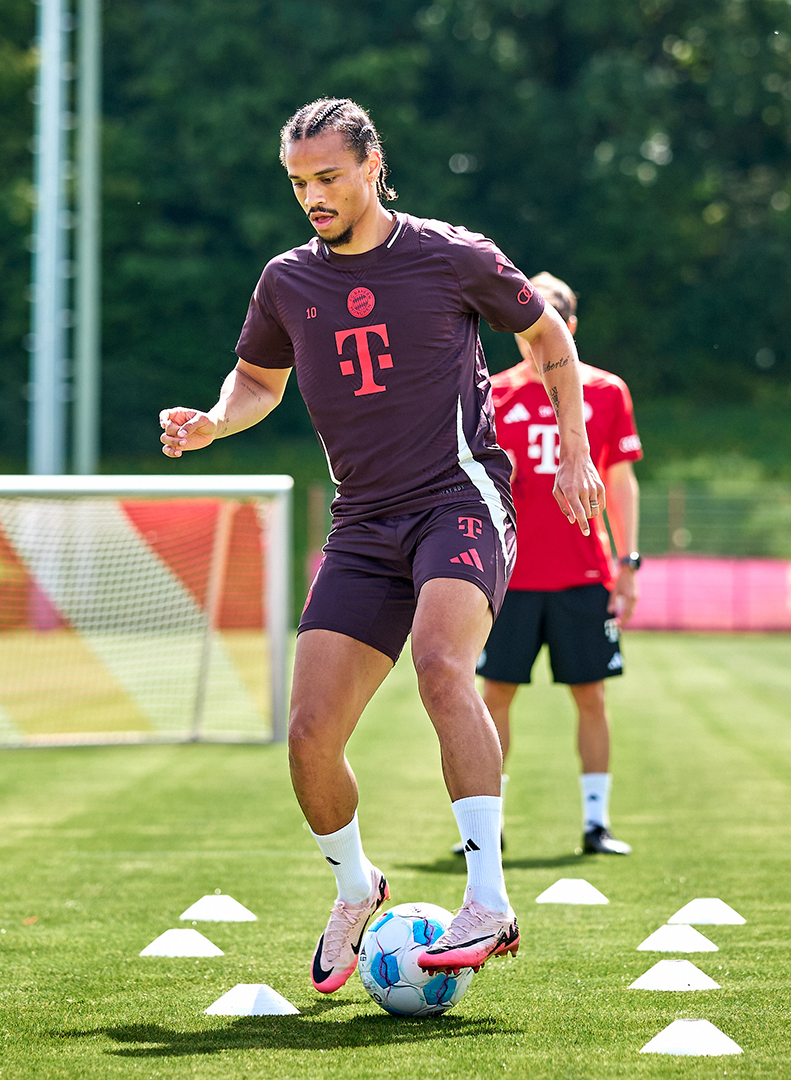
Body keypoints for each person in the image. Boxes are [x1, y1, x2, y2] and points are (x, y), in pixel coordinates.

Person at [158, 98, 603, 990]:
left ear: (372, 167)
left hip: (459, 499)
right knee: (309, 736)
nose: (312, 196)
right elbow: (257, 377)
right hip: (362, 524)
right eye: (298, 183)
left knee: (445, 664)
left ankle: (488, 902)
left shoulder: (450, 254)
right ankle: (356, 886)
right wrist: (214, 421)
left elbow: (545, 333)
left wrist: (576, 456)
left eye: (327, 177)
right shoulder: (287, 279)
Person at [466, 272, 643, 857]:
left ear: (568, 328)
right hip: (510, 576)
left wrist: (627, 563)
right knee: (494, 697)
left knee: (591, 696)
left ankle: (597, 823)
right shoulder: (492, 392)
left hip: (582, 573)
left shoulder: (606, 392)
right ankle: (484, 828)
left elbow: (620, 482)